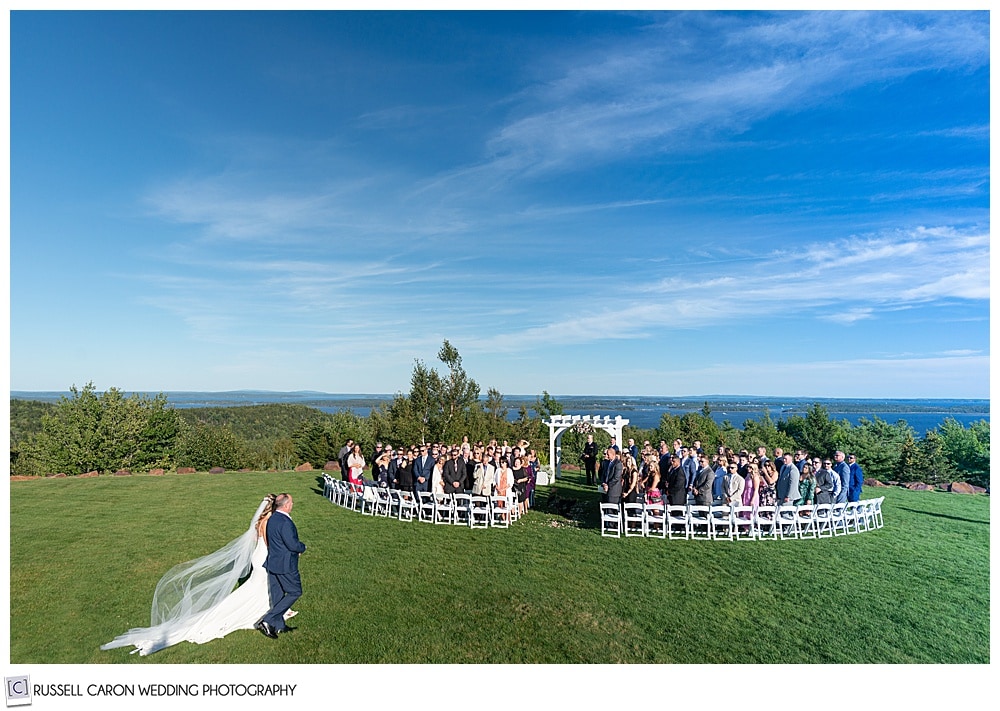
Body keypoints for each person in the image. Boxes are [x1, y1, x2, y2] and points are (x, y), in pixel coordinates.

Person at [102, 495, 293, 656]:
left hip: (256, 556)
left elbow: (254, 539)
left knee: (258, 587)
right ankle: (266, 615)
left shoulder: (260, 521)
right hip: (266, 558)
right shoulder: (271, 522)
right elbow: (274, 544)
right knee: (261, 587)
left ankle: (269, 612)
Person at [256, 493, 305, 639]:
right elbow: (292, 543)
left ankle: (279, 626)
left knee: (278, 596)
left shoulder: (272, 519)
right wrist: (302, 547)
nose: (292, 504)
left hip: (273, 563)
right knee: (295, 592)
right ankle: (267, 621)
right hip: (285, 565)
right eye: (291, 502)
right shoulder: (285, 522)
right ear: (286, 505)